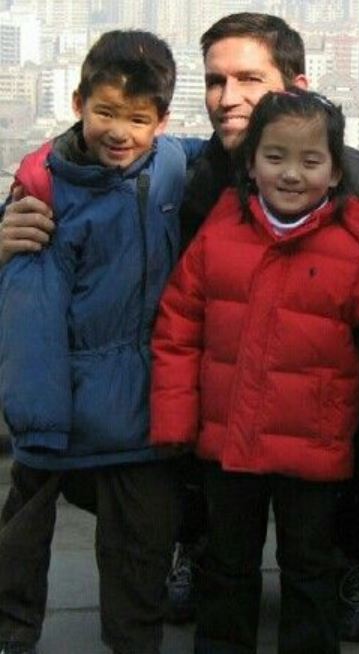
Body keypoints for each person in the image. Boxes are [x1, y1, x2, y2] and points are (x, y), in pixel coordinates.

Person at [0, 12, 359, 642]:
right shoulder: (190, 180)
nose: (228, 98)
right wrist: (15, 217)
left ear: (297, 87)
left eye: (250, 79)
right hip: (220, 418)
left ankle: (351, 557)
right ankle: (194, 545)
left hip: (331, 425)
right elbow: (98, 153)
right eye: (216, 81)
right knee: (118, 459)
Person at [150, 87, 359, 654]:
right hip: (227, 444)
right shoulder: (220, 234)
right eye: (275, 157)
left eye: (311, 160)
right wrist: (175, 420)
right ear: (250, 165)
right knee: (224, 565)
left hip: (316, 450)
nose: (292, 174)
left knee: (311, 570)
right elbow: (177, 327)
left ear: (335, 171)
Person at [0, 30, 204, 654]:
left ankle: (134, 642)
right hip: (64, 393)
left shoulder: (173, 165)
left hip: (142, 401)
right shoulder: (45, 189)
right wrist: (38, 417)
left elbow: (240, 154)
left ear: (162, 121)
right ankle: (12, 634)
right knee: (19, 542)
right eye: (105, 113)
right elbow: (31, 311)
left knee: (140, 546)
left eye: (138, 119)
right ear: (78, 102)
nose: (120, 132)